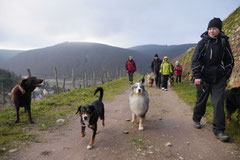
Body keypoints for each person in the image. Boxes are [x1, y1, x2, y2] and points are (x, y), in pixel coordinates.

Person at [191, 17, 234, 142]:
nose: (211, 31)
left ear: (219, 30)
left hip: (218, 78)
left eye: (214, 28)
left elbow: (229, 60)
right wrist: (197, 75)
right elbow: (195, 60)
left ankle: (219, 130)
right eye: (209, 28)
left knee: (219, 103)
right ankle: (197, 118)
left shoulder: (224, 42)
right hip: (203, 77)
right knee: (201, 101)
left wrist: (226, 75)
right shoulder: (203, 43)